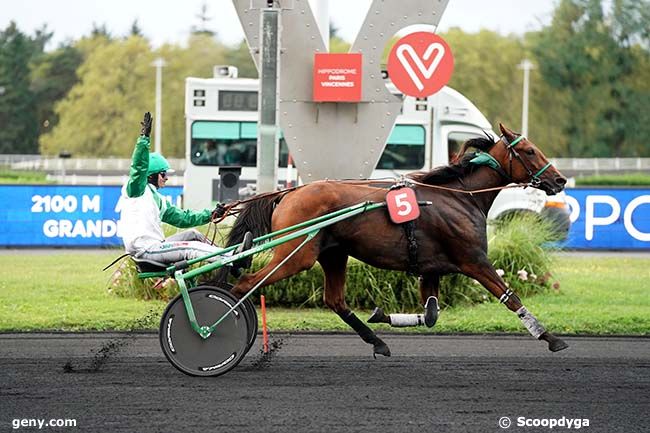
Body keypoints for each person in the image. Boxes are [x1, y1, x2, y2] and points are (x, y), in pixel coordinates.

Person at [119, 112, 252, 271]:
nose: (166, 178)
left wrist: (211, 214)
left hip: (156, 247)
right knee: (191, 247)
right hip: (145, 252)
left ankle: (230, 264)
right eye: (163, 174)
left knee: (193, 234)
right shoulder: (136, 189)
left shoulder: (159, 200)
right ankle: (233, 258)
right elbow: (138, 167)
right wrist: (144, 138)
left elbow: (184, 218)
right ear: (151, 175)